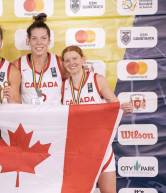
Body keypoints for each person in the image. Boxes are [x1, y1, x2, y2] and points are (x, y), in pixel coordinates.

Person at [61, 45, 133, 193]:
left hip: (101, 148)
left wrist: (126, 110)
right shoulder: (63, 87)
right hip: (76, 151)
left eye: (75, 58)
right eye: (67, 60)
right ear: (63, 63)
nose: (71, 63)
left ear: (83, 59)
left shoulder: (97, 80)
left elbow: (116, 109)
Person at [12, 13, 70, 105]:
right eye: (34, 38)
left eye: (43, 38)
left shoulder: (59, 62)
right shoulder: (18, 64)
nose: (39, 42)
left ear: (49, 40)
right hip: (29, 118)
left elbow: (75, 90)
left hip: (55, 118)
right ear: (28, 41)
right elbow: (13, 99)